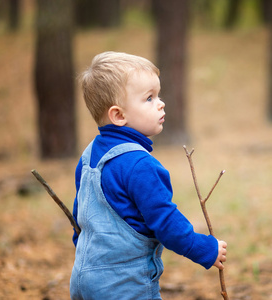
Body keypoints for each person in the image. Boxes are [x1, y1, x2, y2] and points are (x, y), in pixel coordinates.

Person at [70, 51, 227, 300]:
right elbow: (165, 222)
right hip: (124, 285)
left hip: (84, 278)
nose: (161, 103)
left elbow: (80, 216)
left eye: (158, 95)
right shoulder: (140, 165)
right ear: (119, 115)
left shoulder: (89, 156)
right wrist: (204, 248)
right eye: (149, 98)